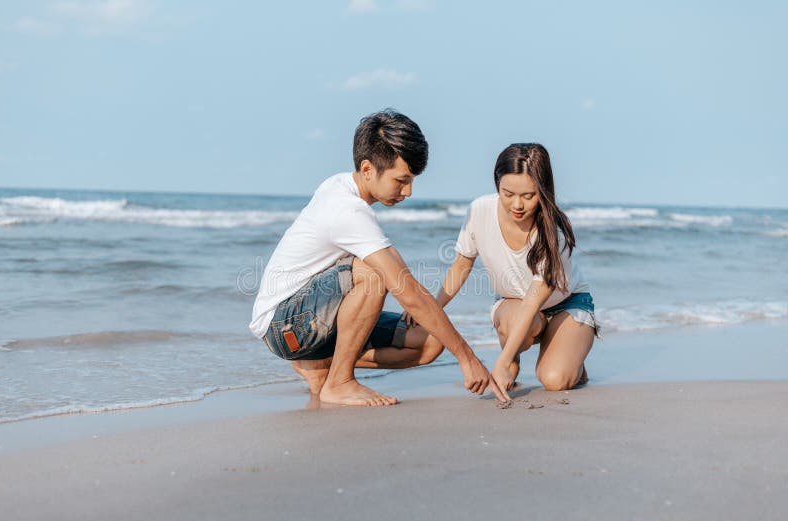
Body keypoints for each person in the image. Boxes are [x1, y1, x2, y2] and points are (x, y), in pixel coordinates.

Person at [249, 109, 510, 407]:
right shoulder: (345, 209)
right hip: (285, 326)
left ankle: (320, 366)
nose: (408, 191)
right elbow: (404, 287)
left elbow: (402, 272)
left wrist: (438, 323)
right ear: (368, 168)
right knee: (373, 275)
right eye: (401, 180)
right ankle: (340, 382)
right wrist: (468, 358)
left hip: (316, 319)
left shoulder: (345, 186)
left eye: (411, 180)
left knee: (430, 341)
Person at [405, 143, 598, 392]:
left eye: (528, 196)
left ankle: (572, 360)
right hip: (514, 306)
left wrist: (500, 363)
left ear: (543, 190)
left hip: (567, 305)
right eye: (508, 194)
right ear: (497, 185)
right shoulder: (480, 210)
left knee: (555, 380)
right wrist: (431, 307)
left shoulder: (553, 233)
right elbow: (462, 264)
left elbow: (533, 301)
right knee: (519, 322)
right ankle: (516, 357)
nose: (517, 205)